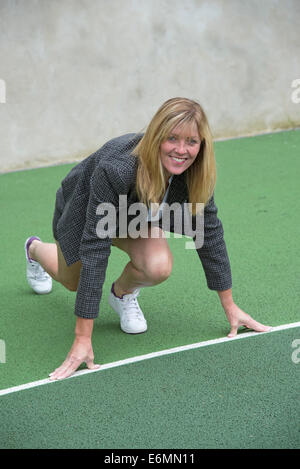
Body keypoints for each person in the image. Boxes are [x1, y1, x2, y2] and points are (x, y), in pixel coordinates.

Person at [24, 97, 271, 380]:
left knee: (158, 265)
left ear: (202, 145)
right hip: (87, 208)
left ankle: (122, 294)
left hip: (135, 215)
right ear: (156, 137)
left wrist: (230, 306)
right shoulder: (116, 169)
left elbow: (208, 232)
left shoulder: (196, 174)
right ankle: (34, 250)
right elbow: (96, 247)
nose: (181, 150)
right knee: (72, 282)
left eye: (192, 141)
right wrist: (82, 337)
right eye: (172, 139)